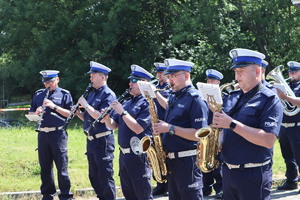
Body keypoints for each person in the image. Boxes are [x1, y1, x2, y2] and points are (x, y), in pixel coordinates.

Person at [212, 48, 283, 200]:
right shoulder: (232, 96)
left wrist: (231, 124)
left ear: (257, 71)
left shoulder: (269, 99)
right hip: (229, 172)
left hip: (253, 174)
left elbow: (268, 140)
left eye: (242, 71)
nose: (237, 76)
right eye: (236, 72)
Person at [153, 58, 209, 200]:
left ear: (186, 76)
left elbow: (200, 135)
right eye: (169, 76)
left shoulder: (195, 99)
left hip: (187, 161)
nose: (169, 80)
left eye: (173, 76)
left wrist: (170, 128)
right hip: (172, 162)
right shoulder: (174, 96)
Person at [102, 65, 154, 200]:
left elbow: (138, 128)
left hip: (139, 155)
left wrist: (122, 112)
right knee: (128, 194)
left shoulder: (148, 103)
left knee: (142, 194)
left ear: (144, 83)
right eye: (130, 81)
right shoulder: (127, 101)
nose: (130, 84)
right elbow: (114, 126)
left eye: (134, 81)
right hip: (124, 155)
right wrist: (107, 118)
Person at [28, 70, 74, 200]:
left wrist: (54, 107)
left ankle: (65, 195)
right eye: (45, 82)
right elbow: (30, 114)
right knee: (45, 167)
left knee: (62, 166)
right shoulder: (38, 94)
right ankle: (48, 195)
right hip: (42, 134)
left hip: (58, 133)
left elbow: (70, 113)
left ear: (57, 80)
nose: (47, 85)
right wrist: (36, 113)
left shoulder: (65, 94)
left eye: (50, 82)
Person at [75, 61, 116, 200]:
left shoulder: (108, 94)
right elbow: (89, 118)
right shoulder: (92, 94)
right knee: (94, 176)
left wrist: (85, 105)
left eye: (93, 76)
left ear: (102, 77)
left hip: (103, 140)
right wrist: (78, 113)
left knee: (105, 176)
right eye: (90, 76)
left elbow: (101, 117)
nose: (90, 78)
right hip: (91, 140)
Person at [276, 61, 300, 191]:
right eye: (290, 72)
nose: (291, 74)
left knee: (299, 156)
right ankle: (291, 181)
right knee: (288, 157)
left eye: (294, 72)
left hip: (297, 127)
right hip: (284, 126)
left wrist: (285, 97)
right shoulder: (286, 86)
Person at [202, 69, 223, 199]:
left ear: (218, 82)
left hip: (218, 132)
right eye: (208, 80)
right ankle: (206, 187)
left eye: (212, 80)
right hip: (206, 132)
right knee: (205, 158)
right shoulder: (202, 97)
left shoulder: (223, 96)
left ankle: (220, 187)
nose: (209, 82)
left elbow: (222, 114)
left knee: (218, 162)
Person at [152, 62, 171, 197]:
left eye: (162, 72)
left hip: (166, 126)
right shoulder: (156, 87)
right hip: (155, 126)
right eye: (157, 73)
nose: (159, 75)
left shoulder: (169, 88)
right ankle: (160, 183)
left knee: (167, 156)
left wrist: (155, 94)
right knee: (157, 156)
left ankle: (169, 184)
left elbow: (168, 106)